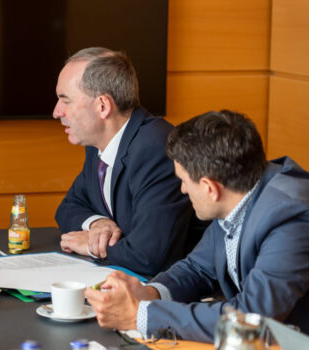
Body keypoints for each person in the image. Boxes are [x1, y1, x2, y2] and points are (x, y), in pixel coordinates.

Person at [85, 110, 309, 342]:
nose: (182, 190)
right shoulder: (239, 189)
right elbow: (198, 268)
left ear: (209, 188)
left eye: (183, 181)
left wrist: (139, 315)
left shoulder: (290, 217)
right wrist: (149, 294)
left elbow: (252, 319)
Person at [54, 47, 199, 275]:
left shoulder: (155, 147)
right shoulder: (98, 145)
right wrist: (98, 223)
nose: (56, 112)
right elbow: (67, 208)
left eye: (66, 101)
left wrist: (93, 248)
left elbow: (150, 256)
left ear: (102, 106)